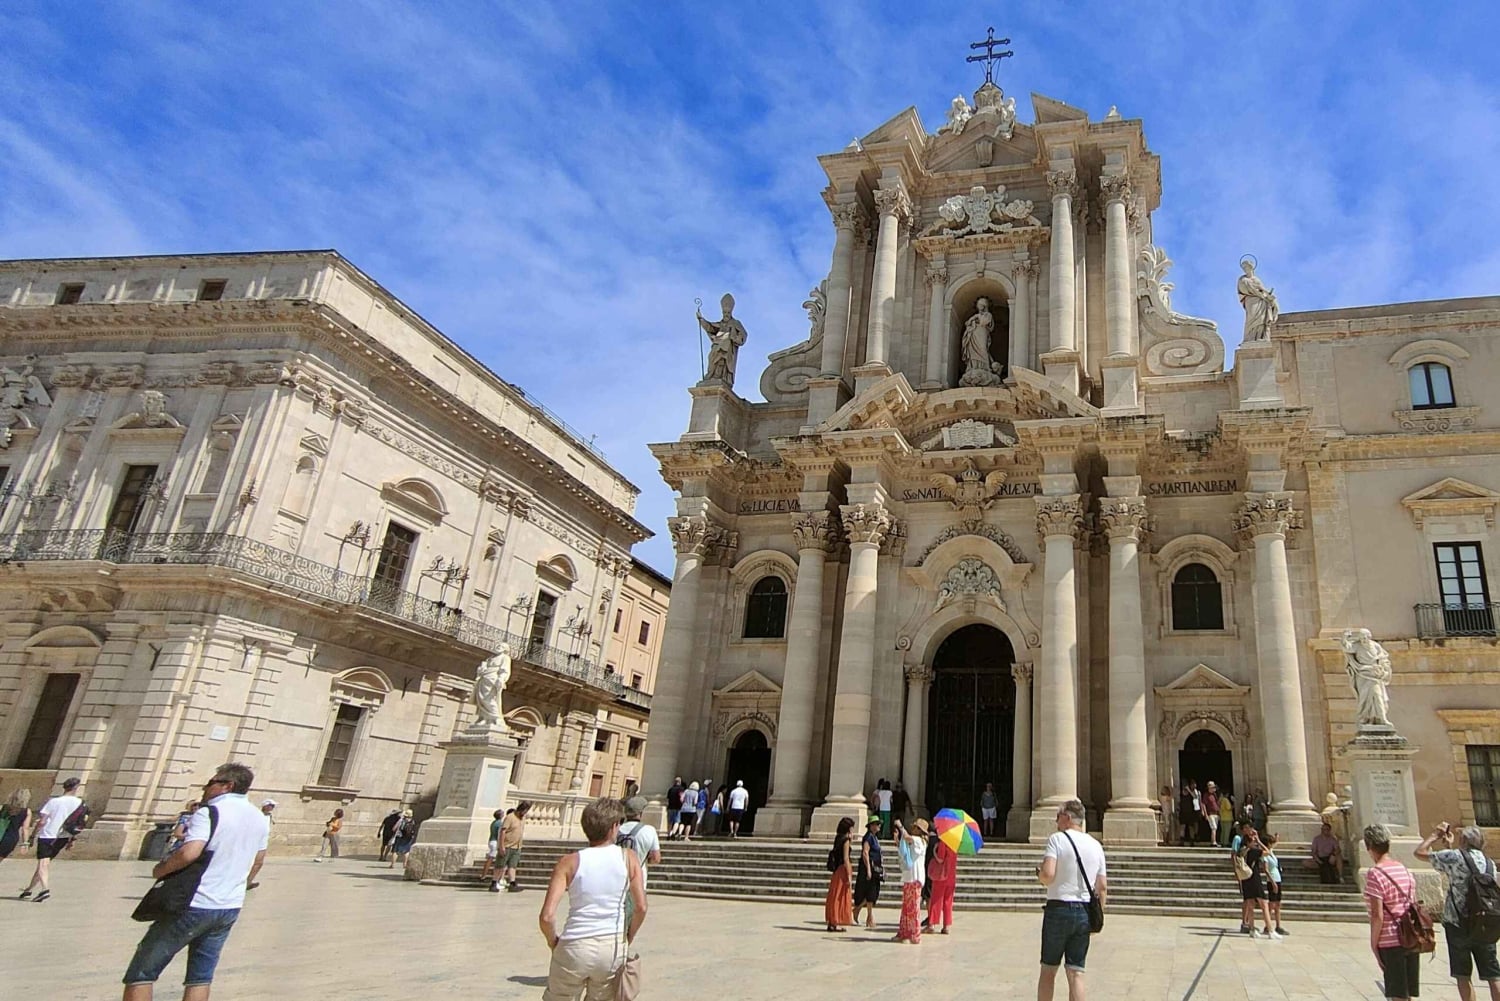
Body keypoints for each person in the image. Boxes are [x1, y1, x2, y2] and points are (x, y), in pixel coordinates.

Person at [120, 762, 268, 1000]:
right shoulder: (259, 817)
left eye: (211, 782)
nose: (206, 787)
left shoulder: (210, 812)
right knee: (200, 978)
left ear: (227, 786)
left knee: (141, 973)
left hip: (194, 903)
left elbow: (189, 852)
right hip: (228, 907)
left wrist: (161, 869)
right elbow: (259, 859)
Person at [538, 797, 647, 1000]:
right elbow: (641, 907)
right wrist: (627, 938)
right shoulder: (629, 858)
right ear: (614, 827)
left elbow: (546, 916)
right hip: (611, 946)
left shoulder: (568, 862)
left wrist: (553, 942)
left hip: (573, 945)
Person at [1416, 822, 1500, 1001]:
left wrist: (1435, 836)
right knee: (1493, 975)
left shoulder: (1454, 857)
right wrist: (1450, 847)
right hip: (1485, 921)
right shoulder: (1489, 863)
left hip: (1457, 923)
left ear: (1463, 840)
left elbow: (1420, 853)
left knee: (1463, 975)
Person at [1036, 799, 1107, 1001]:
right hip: (1084, 912)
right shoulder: (1096, 845)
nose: (1056, 821)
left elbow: (1048, 874)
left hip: (1058, 910)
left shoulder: (1057, 839)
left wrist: (1040, 875)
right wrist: (1096, 916)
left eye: (1058, 817)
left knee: (1048, 971)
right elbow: (1102, 887)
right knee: (1076, 973)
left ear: (1067, 817)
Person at [1363, 823, 1420, 1001]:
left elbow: (1377, 915)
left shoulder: (1375, 874)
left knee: (1397, 995)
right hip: (1411, 936)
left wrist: (1374, 944)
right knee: (1407, 995)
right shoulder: (1404, 869)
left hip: (1390, 940)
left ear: (1369, 846)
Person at [20, 776, 84, 901]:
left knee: (43, 863)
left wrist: (33, 835)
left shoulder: (54, 802)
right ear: (76, 788)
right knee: (44, 863)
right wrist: (72, 839)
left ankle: (45, 890)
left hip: (48, 835)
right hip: (63, 837)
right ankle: (29, 890)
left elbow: (42, 821)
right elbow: (78, 822)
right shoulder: (80, 803)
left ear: (64, 787)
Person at [617, 796, 661, 932]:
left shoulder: (616, 829)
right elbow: (656, 858)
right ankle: (625, 944)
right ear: (641, 813)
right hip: (637, 880)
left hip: (614, 878)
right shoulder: (649, 831)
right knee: (632, 914)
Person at [892, 817, 927, 945]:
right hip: (909, 876)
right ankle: (904, 932)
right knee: (906, 907)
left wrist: (901, 826)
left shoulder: (920, 841)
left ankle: (914, 934)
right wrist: (897, 839)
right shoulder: (915, 841)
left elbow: (907, 838)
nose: (913, 829)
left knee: (913, 908)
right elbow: (905, 848)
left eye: (915, 827)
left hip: (915, 877)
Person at [824, 817, 855, 933]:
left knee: (834, 895)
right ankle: (836, 920)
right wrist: (849, 875)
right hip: (842, 870)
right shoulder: (846, 840)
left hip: (836, 870)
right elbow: (846, 858)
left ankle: (832, 921)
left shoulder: (838, 838)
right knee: (840, 896)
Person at [853, 816, 884, 930]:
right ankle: (869, 917)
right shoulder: (868, 837)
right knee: (870, 892)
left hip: (875, 868)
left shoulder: (874, 837)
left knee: (873, 892)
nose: (878, 826)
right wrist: (868, 870)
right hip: (869, 868)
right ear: (871, 826)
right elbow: (865, 853)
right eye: (876, 824)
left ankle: (857, 909)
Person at [928, 836, 958, 935]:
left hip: (942, 876)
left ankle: (932, 924)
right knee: (948, 902)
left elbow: (940, 859)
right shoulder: (955, 844)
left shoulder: (944, 842)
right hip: (951, 876)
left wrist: (934, 851)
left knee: (936, 900)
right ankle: (946, 926)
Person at [499, 801, 531, 891]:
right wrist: (501, 846)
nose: (525, 813)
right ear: (521, 809)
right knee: (500, 865)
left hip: (517, 846)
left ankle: (512, 883)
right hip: (507, 845)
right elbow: (503, 831)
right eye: (525, 811)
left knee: (512, 866)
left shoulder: (523, 818)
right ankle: (494, 882)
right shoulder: (510, 817)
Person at [0, 788, 33, 866]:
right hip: (11, 838)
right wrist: (25, 843)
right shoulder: (27, 811)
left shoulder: (2, 808)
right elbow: (25, 829)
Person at [1264, 833, 1288, 936]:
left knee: (1278, 904)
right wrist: (1272, 882)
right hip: (1272, 880)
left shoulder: (1271, 853)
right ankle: (1267, 925)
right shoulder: (1265, 855)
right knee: (1271, 904)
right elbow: (1265, 869)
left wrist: (1277, 838)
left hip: (1278, 879)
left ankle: (1278, 925)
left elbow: (1274, 845)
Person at [483, 809, 508, 889]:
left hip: (491, 841)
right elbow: (499, 834)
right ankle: (488, 876)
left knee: (490, 859)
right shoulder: (500, 823)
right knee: (497, 860)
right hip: (495, 842)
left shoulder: (493, 823)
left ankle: (484, 874)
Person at [1202, 782, 1221, 848]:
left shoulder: (1215, 795)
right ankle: (1213, 842)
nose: (1214, 788)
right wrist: (1205, 814)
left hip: (1216, 814)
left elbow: (1217, 803)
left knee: (1215, 828)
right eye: (1213, 787)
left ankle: (1214, 840)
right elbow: (1203, 804)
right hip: (1210, 814)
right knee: (1214, 828)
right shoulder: (1206, 795)